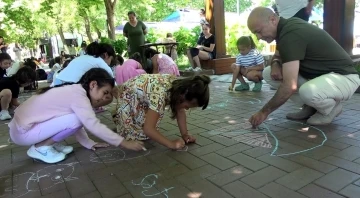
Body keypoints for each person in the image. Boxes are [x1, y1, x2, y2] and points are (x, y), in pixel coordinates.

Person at [247, 7, 360, 127]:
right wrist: (275, 64)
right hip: (325, 76)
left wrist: (263, 112)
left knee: (307, 91)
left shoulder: (290, 34)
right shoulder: (284, 29)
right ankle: (310, 107)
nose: (258, 37)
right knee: (268, 73)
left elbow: (290, 86)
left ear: (273, 19)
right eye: (255, 34)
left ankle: (331, 109)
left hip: (345, 77)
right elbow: (277, 55)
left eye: (258, 31)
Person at [9, 68, 144, 164]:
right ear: (93, 85)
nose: (103, 99)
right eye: (105, 92)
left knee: (74, 118)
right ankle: (40, 148)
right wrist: (124, 142)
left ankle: (47, 144)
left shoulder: (75, 90)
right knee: (76, 119)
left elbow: (76, 124)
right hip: (22, 133)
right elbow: (90, 123)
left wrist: (88, 143)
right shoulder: (78, 95)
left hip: (23, 129)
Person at [112, 74, 210, 150]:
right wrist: (171, 144)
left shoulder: (179, 88)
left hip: (141, 99)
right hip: (127, 97)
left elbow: (180, 111)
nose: (187, 109)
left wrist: (185, 135)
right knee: (133, 136)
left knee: (147, 130)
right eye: (187, 106)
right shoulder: (160, 94)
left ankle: (127, 120)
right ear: (182, 97)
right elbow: (149, 129)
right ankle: (118, 117)